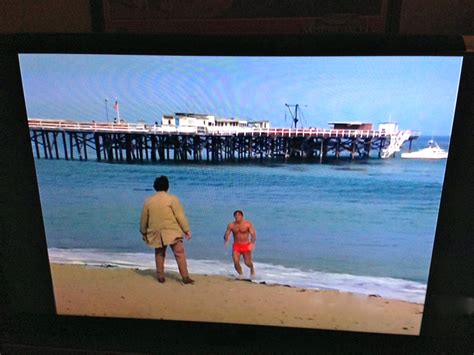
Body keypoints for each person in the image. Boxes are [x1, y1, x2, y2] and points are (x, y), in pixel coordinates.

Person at [140, 176, 194, 284]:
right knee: (179, 253)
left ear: (155, 187)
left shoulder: (148, 201)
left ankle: (160, 276)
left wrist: (143, 231)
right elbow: (180, 216)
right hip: (172, 230)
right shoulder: (172, 199)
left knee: (159, 253)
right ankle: (185, 277)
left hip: (156, 231)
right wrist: (186, 229)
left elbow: (144, 218)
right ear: (167, 187)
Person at [223, 210, 256, 278]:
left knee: (247, 263)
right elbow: (227, 234)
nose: (237, 217)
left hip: (246, 245)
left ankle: (252, 268)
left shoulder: (247, 224)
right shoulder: (231, 225)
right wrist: (226, 239)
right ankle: (241, 275)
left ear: (242, 216)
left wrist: (252, 243)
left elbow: (253, 235)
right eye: (235, 215)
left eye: (238, 215)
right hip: (236, 246)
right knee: (236, 262)